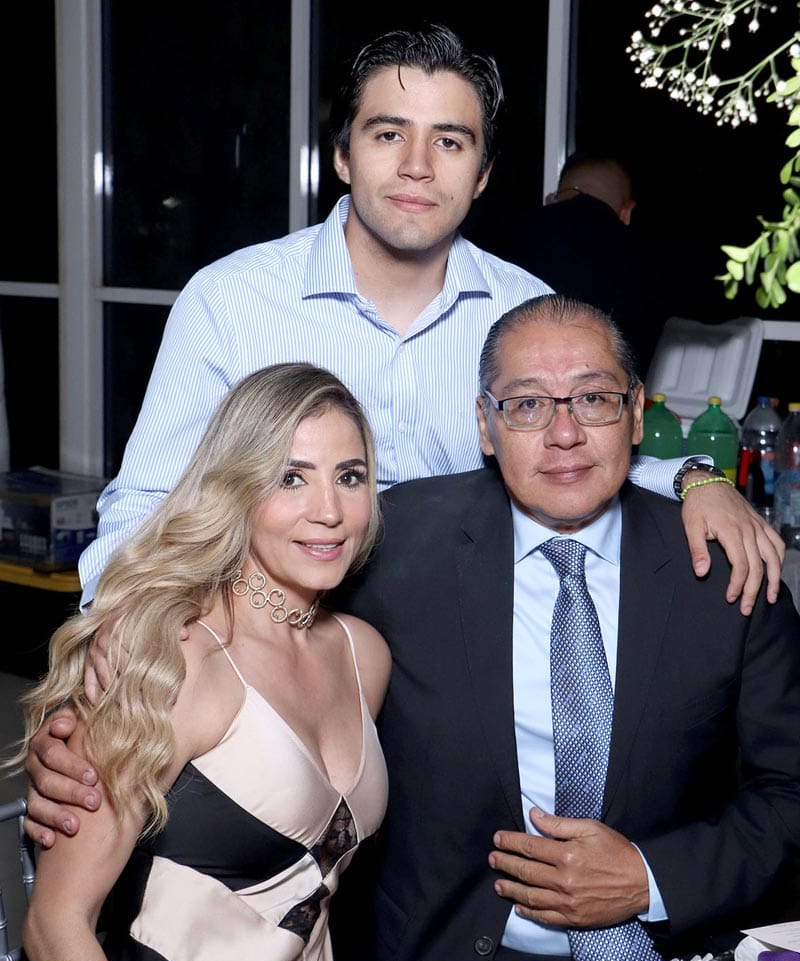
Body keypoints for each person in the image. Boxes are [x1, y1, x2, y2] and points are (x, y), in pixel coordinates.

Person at [75, 24, 782, 622]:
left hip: (463, 660)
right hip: (270, 651)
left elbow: (579, 453)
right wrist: (113, 650)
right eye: (389, 134)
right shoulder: (232, 300)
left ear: (482, 174)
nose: (416, 167)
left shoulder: (523, 310)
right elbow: (147, 505)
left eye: (449, 142)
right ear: (343, 156)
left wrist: (699, 478)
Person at [324, 295, 800, 961]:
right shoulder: (393, 549)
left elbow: (790, 792)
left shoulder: (728, 570)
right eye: (527, 405)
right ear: (486, 426)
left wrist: (649, 879)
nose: (565, 433)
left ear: (636, 413)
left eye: (593, 399)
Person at [8, 363, 391, 961]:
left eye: (349, 477)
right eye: (290, 478)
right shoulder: (173, 658)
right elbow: (56, 924)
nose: (329, 511)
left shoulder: (362, 656)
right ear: (237, 488)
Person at [485, 151, 668, 379]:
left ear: (551, 198)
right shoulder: (650, 257)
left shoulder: (500, 235)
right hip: (606, 397)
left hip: (513, 394)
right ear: (627, 212)